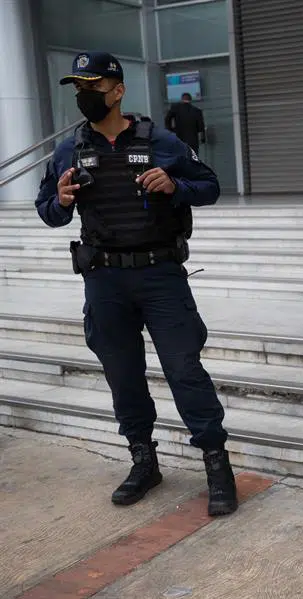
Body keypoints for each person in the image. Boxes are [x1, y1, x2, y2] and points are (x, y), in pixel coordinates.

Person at [34, 51, 238, 517]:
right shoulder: (69, 150)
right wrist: (61, 200)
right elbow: (46, 208)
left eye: (93, 87)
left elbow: (208, 186)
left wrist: (174, 186)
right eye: (79, 89)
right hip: (103, 279)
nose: (85, 96)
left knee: (184, 370)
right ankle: (144, 461)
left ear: (118, 91)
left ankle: (216, 463)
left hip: (160, 275)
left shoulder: (160, 140)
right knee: (122, 375)